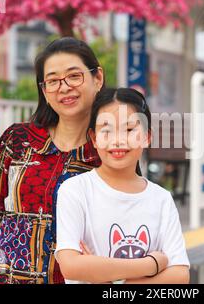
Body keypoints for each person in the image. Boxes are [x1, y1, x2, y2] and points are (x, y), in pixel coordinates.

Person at [0, 37, 104, 284]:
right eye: (53, 81)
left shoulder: (108, 150)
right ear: (44, 90)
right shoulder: (17, 140)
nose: (64, 87)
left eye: (74, 76)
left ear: (97, 78)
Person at [55, 87, 190, 284]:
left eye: (129, 130)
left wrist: (103, 276)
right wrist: (151, 264)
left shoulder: (161, 199)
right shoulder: (75, 190)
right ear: (94, 138)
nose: (117, 140)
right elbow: (71, 266)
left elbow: (179, 276)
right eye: (107, 131)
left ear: (146, 137)